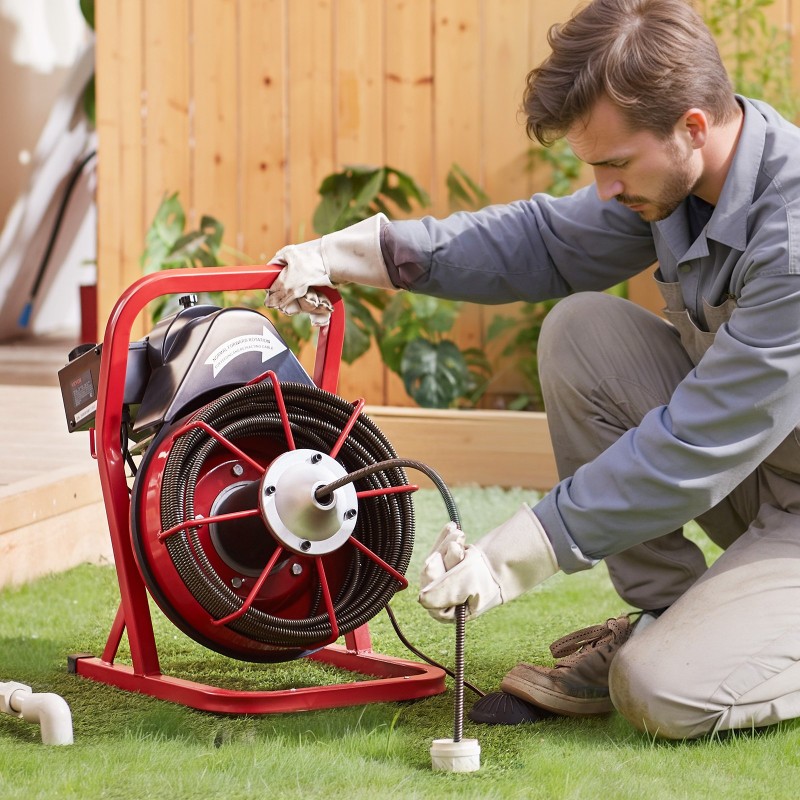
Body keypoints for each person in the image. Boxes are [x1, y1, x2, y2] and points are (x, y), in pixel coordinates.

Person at [265, 0, 800, 740]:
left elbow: (700, 440)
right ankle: (665, 610)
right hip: (766, 469)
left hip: (755, 472)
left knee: (661, 691)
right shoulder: (679, 183)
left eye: (615, 164)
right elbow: (547, 242)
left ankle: (685, 648)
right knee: (582, 332)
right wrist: (355, 254)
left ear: (693, 127)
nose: (604, 187)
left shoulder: (791, 237)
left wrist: (514, 556)